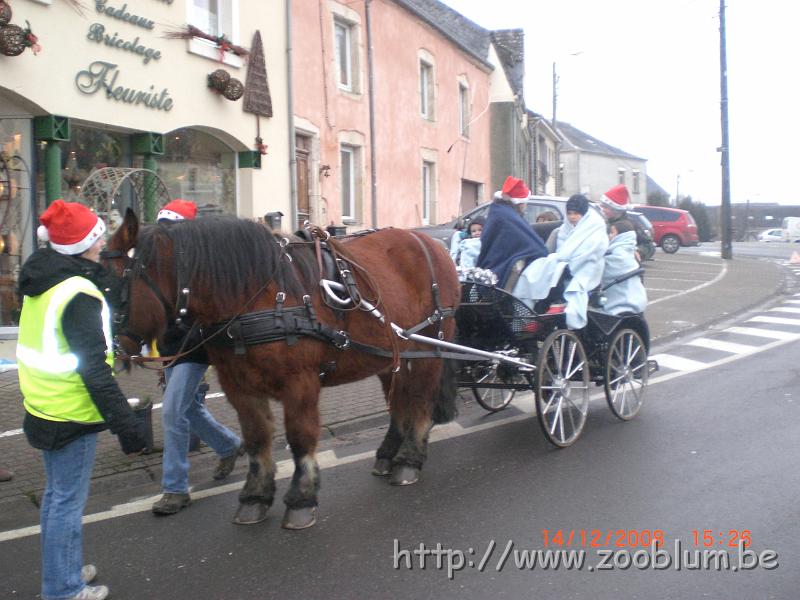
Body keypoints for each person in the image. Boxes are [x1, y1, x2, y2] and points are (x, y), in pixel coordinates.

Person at [17, 199, 148, 600]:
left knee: (59, 498)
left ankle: (66, 568)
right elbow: (93, 370)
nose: (102, 242)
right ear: (85, 245)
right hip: (70, 413)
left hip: (43, 405)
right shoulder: (79, 292)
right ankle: (63, 588)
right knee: (66, 503)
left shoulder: (45, 279)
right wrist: (128, 429)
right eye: (97, 235)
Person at [151, 199, 243, 516]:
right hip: (172, 349)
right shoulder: (160, 265)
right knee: (188, 408)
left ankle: (175, 488)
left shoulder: (199, 265)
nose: (165, 236)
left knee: (173, 412)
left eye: (171, 230)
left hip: (194, 348)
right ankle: (229, 446)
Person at [512, 194, 609, 329]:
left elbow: (591, 252)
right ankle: (535, 312)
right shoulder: (565, 227)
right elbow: (562, 251)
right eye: (569, 213)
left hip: (587, 269)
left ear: (584, 213)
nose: (572, 217)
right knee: (534, 271)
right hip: (566, 264)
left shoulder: (595, 228)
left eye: (576, 213)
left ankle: (555, 304)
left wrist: (566, 262)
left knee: (557, 270)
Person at [475, 176, 548, 287]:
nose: (525, 206)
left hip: (491, 262)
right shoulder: (508, 217)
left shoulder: (499, 211)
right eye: (525, 203)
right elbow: (531, 243)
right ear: (520, 203)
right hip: (498, 267)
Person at [599, 219, 647, 315]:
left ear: (621, 236)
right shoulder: (630, 250)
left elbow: (607, 269)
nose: (609, 236)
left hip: (624, 302)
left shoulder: (620, 253)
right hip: (635, 299)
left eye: (612, 233)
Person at [598, 184, 650, 261]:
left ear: (615, 209)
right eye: (602, 206)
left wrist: (639, 252)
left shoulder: (631, 225)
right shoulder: (601, 223)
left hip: (626, 269)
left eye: (605, 207)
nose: (602, 210)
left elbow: (648, 245)